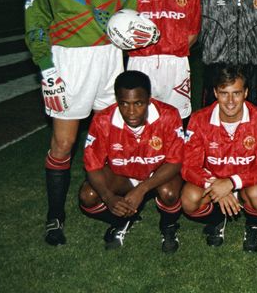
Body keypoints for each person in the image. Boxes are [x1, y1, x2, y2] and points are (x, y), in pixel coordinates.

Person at [24, 0, 141, 246]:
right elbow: (36, 19)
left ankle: (110, 204)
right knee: (64, 142)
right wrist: (46, 67)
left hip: (110, 59)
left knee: (109, 141)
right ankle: (55, 218)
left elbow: (130, 17)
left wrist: (136, 31)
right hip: (69, 60)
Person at [78, 71, 184, 252]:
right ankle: (124, 219)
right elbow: (92, 165)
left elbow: (175, 162)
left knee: (169, 193)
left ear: (149, 100)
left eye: (139, 103)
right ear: (117, 100)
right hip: (123, 175)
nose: (131, 112)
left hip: (157, 174)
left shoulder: (168, 115)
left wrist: (142, 189)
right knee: (88, 196)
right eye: (124, 104)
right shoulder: (103, 121)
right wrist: (108, 197)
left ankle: (168, 227)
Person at [181, 65, 257, 252]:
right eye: (224, 93)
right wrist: (217, 186)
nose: (231, 101)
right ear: (215, 93)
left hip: (247, 183)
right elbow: (188, 166)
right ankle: (217, 218)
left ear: (246, 92)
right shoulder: (199, 119)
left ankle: (253, 226)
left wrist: (232, 183)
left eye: (237, 93)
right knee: (189, 200)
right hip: (214, 182)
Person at [128, 0, 201, 122]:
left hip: (176, 64)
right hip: (140, 62)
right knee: (140, 120)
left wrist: (173, 48)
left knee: (177, 120)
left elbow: (193, 31)